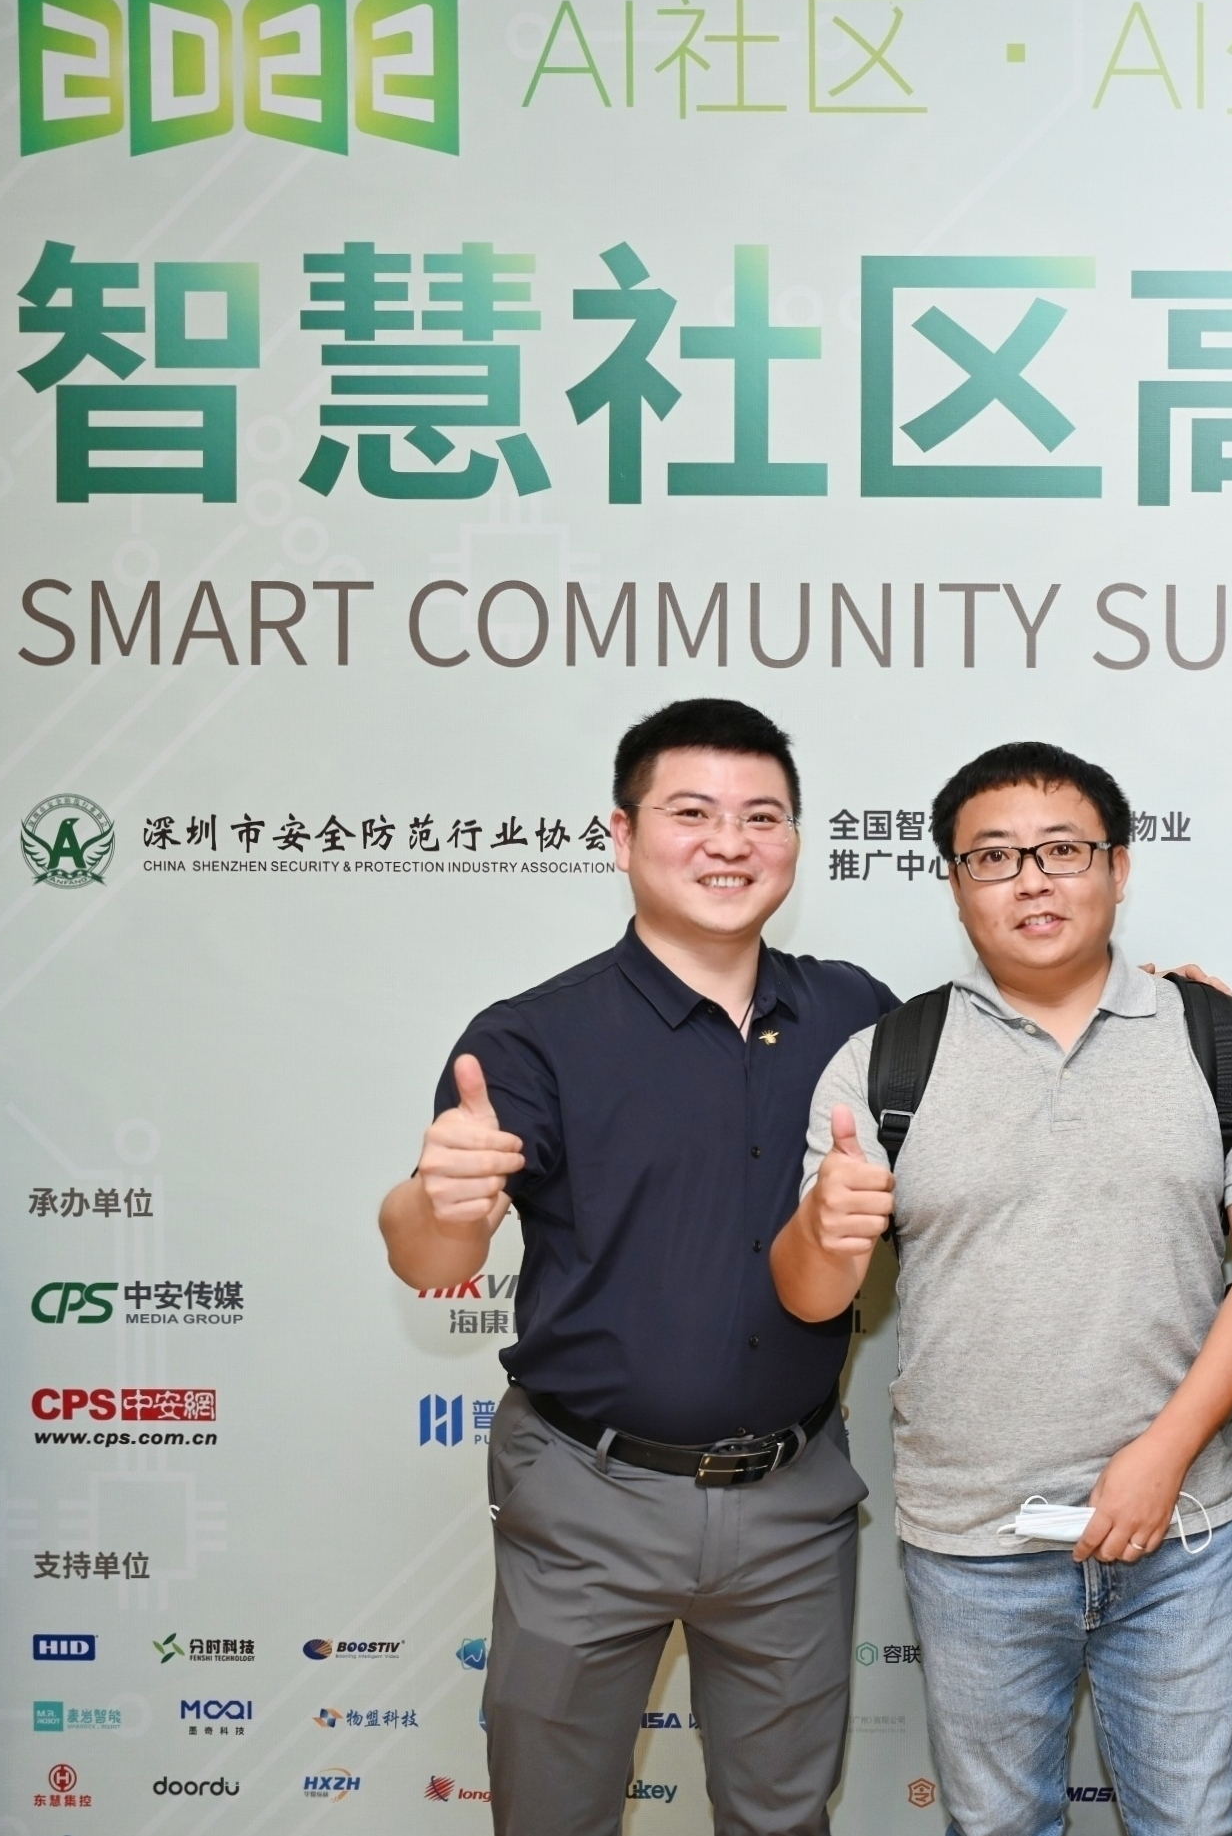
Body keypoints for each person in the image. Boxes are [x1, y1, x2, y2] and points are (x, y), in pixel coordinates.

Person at [378, 698, 895, 1836]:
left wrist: (1144, 1008)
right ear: (622, 834)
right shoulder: (532, 1036)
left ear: (794, 840)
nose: (729, 843)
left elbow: (989, 1103)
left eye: (762, 816)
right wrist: (433, 1198)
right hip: (587, 1495)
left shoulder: (856, 1013)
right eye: (692, 813)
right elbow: (432, 1252)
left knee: (784, 1820)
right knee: (553, 1816)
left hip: (794, 1496)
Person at [771, 741, 1232, 1836]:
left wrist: (1161, 1458)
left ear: (1118, 867)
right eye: (994, 856)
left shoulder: (1215, 1036)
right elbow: (813, 1298)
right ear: (954, 881)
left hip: (1178, 1534)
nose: (1031, 880)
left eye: (1062, 849)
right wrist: (824, 1229)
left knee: (1197, 1825)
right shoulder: (884, 1061)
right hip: (974, 1544)